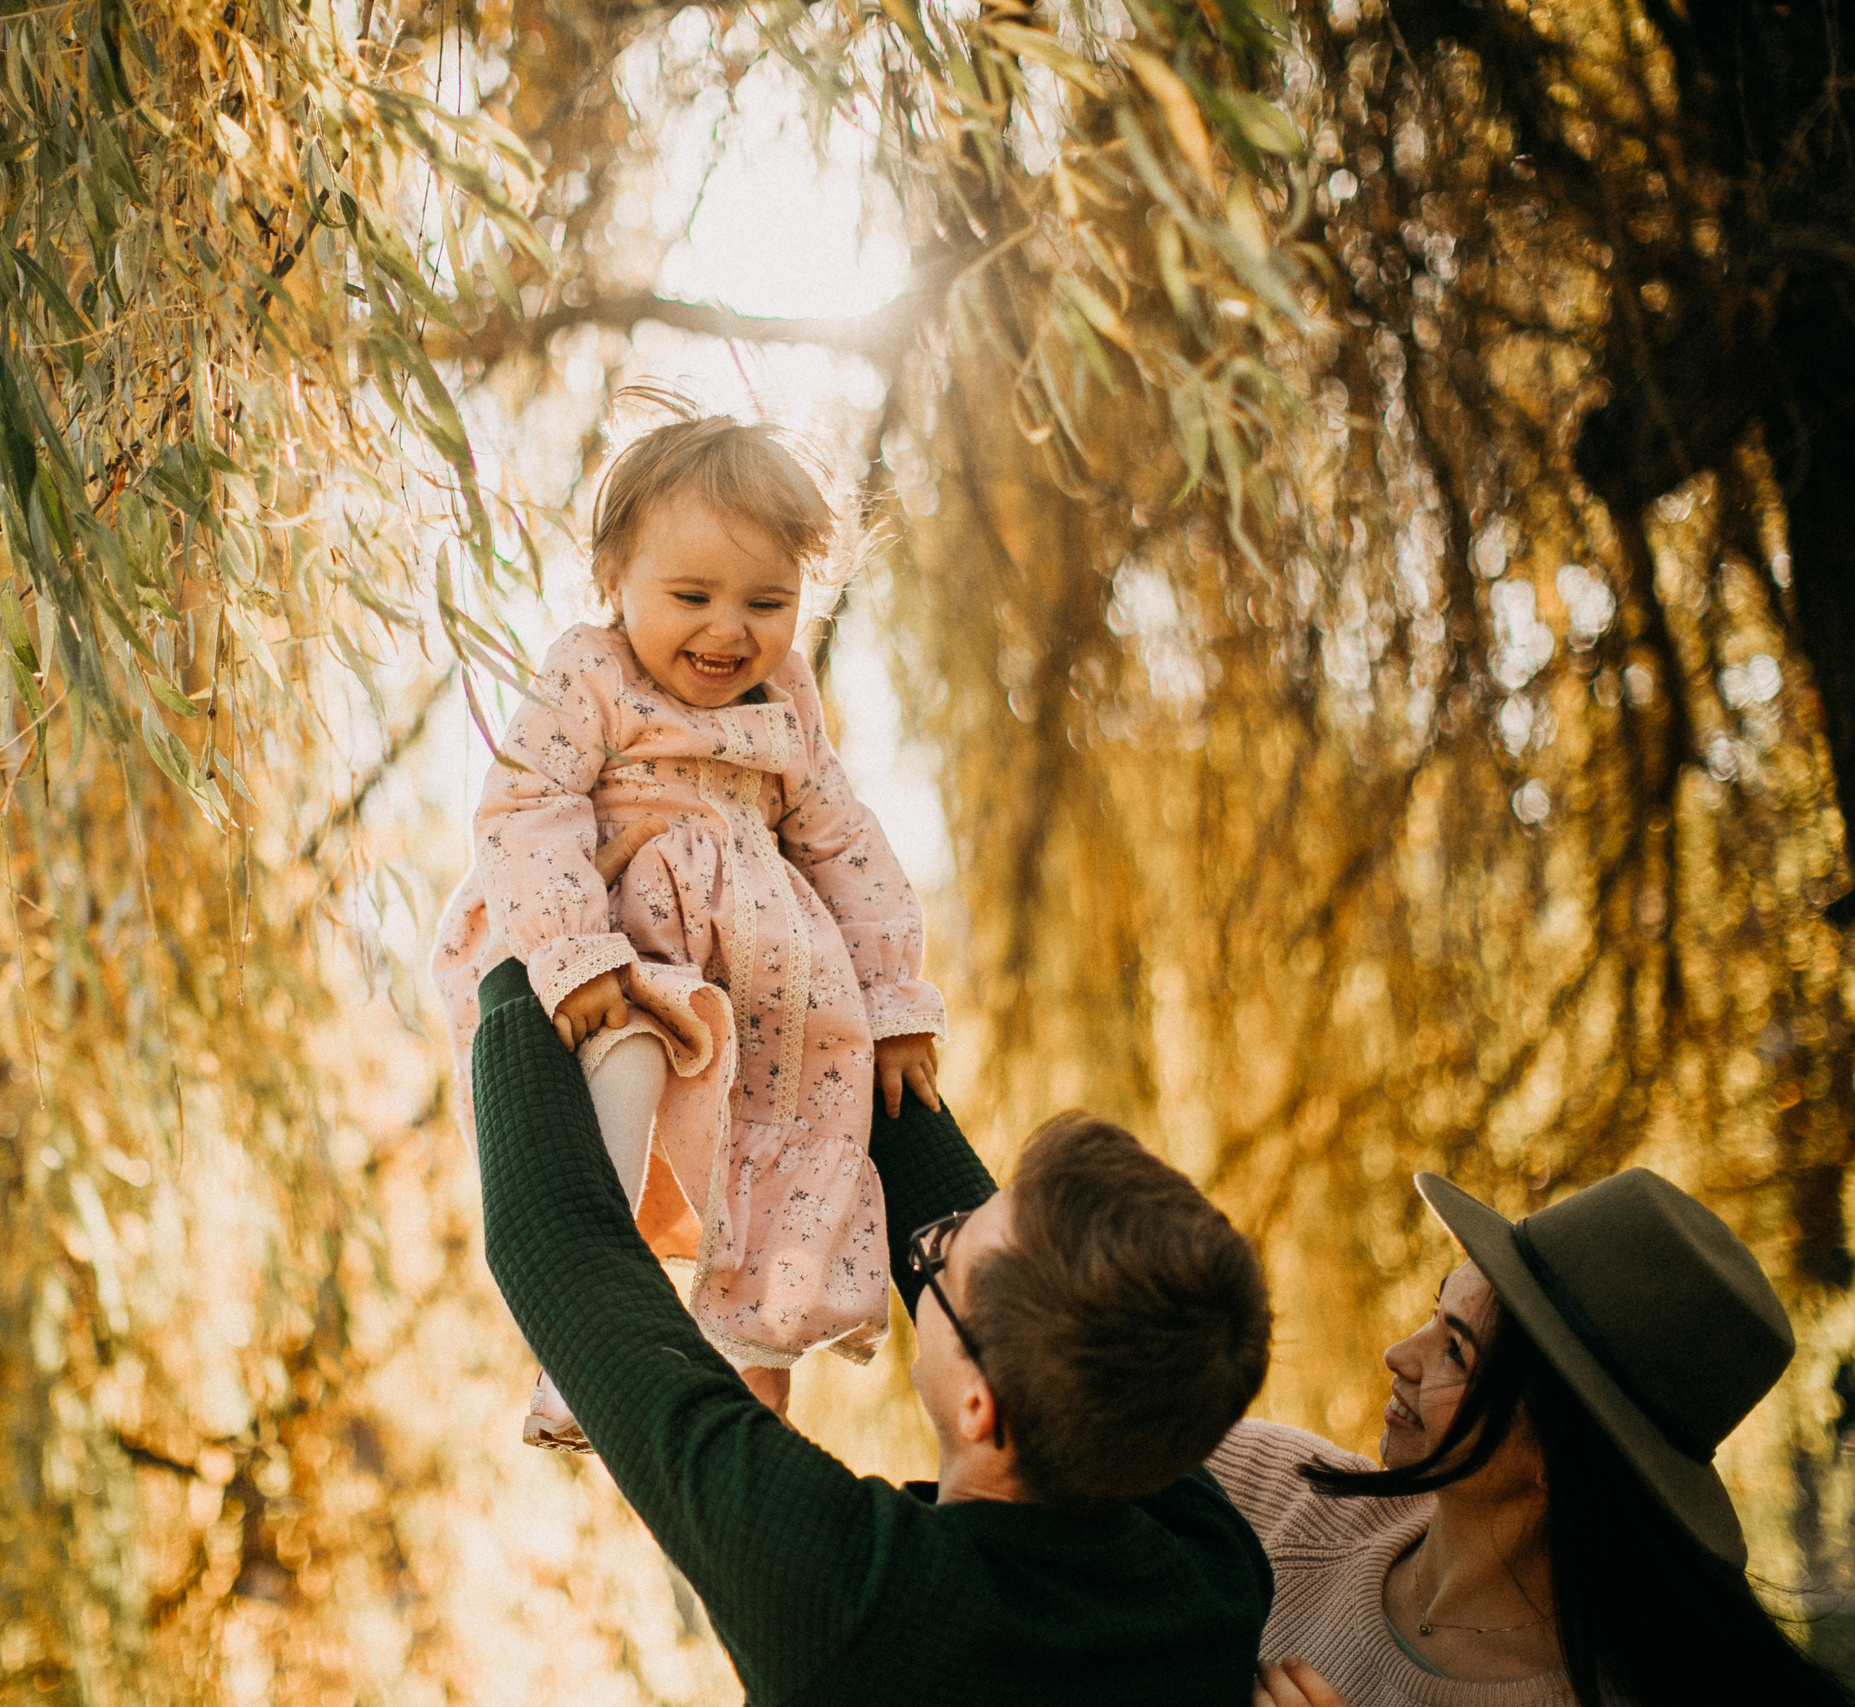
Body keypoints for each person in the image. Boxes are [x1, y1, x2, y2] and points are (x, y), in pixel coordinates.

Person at [470, 946, 1277, 1704]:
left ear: (982, 1404)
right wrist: (778, 955)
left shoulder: (854, 1609)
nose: (930, 1237)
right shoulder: (1211, 1574)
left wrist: (539, 949)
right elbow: (951, 1198)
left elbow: (563, 1250)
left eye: (941, 1255)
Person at [434, 406, 946, 1446]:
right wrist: (573, 949)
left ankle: (754, 1376)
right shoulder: (591, 675)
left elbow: (846, 846)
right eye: (692, 596)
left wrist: (894, 1002)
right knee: (620, 1077)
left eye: (767, 601)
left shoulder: (787, 704)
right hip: (618, 951)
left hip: (756, 978)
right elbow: (527, 803)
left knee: (797, 1128)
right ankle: (585, 1352)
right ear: (613, 579)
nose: (729, 630)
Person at [1211, 1168, 1855, 1707]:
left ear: (1559, 1453)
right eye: (1435, 1313)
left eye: (1456, 1351)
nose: (1399, 1355)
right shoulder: (1264, 1497)